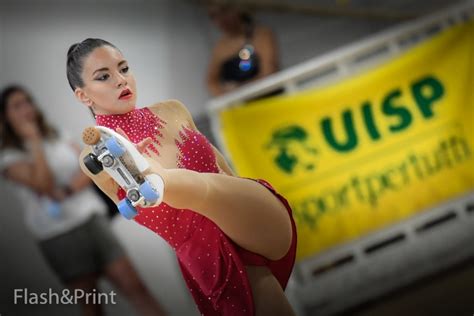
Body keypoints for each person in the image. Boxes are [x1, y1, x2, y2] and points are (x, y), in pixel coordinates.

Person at [67, 38, 297, 316]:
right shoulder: (95, 155)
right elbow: (104, 172)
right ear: (83, 95)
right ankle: (156, 178)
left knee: (209, 188)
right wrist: (127, 159)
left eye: (124, 68)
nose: (120, 80)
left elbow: (225, 171)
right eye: (104, 76)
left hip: (248, 217)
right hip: (210, 257)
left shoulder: (172, 110)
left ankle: (158, 178)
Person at [0, 85, 167, 316]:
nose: (27, 108)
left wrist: (67, 191)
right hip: (58, 235)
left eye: (28, 101)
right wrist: (34, 140)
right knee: (91, 306)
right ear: (5, 116)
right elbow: (44, 184)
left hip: (92, 218)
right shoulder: (9, 157)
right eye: (17, 105)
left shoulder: (56, 134)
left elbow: (89, 167)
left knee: (137, 288)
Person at [206, 4, 279, 97]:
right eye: (213, 16)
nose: (220, 20)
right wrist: (223, 95)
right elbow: (211, 81)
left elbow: (269, 71)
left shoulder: (261, 35)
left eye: (224, 11)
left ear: (237, 9)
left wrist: (238, 89)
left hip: (268, 95)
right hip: (239, 103)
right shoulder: (220, 47)